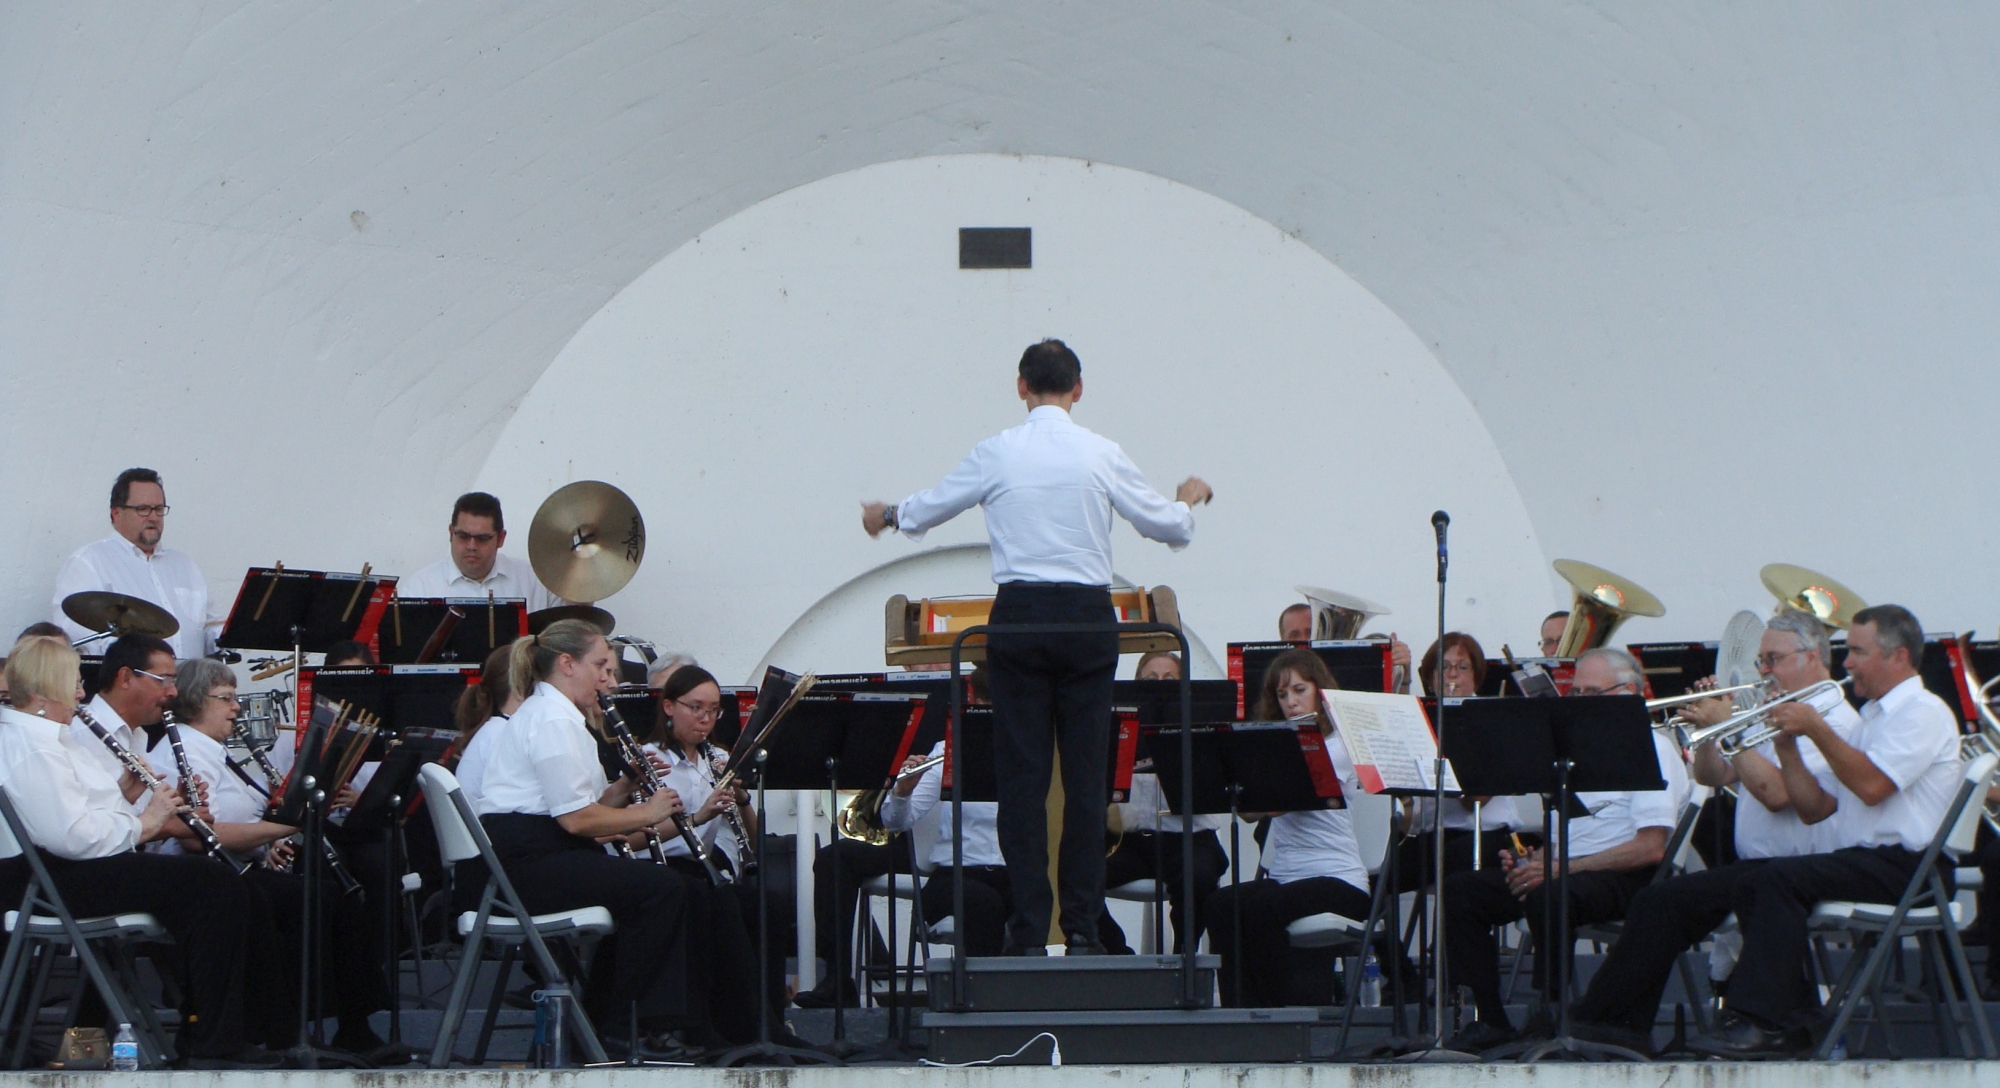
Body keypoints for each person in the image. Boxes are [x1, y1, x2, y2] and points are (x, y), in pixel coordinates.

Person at [861, 338, 1210, 955]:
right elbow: (1168, 526)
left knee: (1021, 782)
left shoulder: (998, 450)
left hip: (1019, 617)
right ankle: (1082, 928)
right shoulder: (1100, 452)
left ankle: (1026, 930)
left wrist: (887, 516)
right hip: (1086, 619)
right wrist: (1188, 497)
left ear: (1021, 386)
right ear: (1079, 389)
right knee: (1085, 781)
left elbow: (930, 508)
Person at [469, 620, 791, 1053]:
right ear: (567, 664)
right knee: (662, 890)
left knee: (682, 890)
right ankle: (626, 1025)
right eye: (601, 666)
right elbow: (575, 820)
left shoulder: (559, 716)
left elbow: (576, 806)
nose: (609, 680)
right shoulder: (551, 719)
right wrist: (647, 812)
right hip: (528, 864)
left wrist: (623, 789)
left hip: (543, 852)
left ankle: (650, 1025)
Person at [1566, 609, 1862, 1054]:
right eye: (1761, 660)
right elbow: (1713, 776)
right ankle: (1615, 1023)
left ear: (1813, 656)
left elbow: (1778, 795)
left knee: (1665, 902)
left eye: (1773, 659)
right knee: (1660, 900)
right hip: (1761, 869)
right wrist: (1708, 732)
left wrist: (1733, 733)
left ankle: (1608, 1019)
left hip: (1800, 868)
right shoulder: (1773, 710)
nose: (1763, 670)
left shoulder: (1831, 719)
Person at [1680, 604, 1962, 1057]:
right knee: (1758, 878)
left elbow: (1872, 787)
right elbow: (1817, 809)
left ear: (1899, 656)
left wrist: (1815, 727)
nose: (1846, 663)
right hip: (1870, 860)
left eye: (1857, 652)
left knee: (1777, 878)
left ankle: (1763, 1021)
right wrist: (1787, 747)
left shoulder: (1922, 711)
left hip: (1913, 869)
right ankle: (1792, 1023)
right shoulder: (1875, 717)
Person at [0, 636, 287, 1066]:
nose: (80, 692)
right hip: (51, 878)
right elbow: (72, 836)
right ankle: (212, 1042)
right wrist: (147, 822)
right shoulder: (34, 746)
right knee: (213, 886)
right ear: (44, 691)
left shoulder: (51, 739)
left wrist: (127, 794)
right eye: (72, 682)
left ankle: (199, 1034)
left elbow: (81, 815)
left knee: (220, 886)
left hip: (70, 869)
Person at [1442, 646, 1690, 1050]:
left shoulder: (1654, 747)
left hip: (1626, 876)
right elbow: (1571, 832)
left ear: (1629, 693)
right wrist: (1534, 859)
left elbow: (1650, 848)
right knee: (1462, 890)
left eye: (1592, 693)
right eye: (1575, 693)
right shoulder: (1578, 751)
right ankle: (1490, 1018)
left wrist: (1559, 869)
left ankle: (1552, 1011)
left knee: (1549, 894)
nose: (1580, 703)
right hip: (1571, 870)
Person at [167, 657, 390, 1055]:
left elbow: (238, 820)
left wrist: (267, 843)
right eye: (226, 698)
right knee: (317, 900)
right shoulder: (190, 753)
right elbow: (198, 837)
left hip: (236, 867)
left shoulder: (212, 751)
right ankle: (302, 1030)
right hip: (205, 876)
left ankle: (345, 1025)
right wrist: (283, 829)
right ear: (196, 701)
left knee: (332, 894)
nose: (236, 708)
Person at [1202, 649, 1373, 1006]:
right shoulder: (1278, 749)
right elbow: (1250, 814)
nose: (1291, 702)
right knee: (1220, 904)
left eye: (1299, 690)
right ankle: (1239, 1011)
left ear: (1319, 692)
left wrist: (1256, 774)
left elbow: (1282, 799)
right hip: (1286, 878)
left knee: (1263, 907)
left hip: (1338, 879)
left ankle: (1277, 1010)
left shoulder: (1338, 746)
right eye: (1282, 695)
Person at [644, 665, 793, 1016]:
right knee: (722, 905)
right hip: (661, 868)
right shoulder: (651, 758)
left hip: (704, 868)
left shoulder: (718, 759)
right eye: (696, 708)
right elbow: (638, 838)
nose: (705, 719)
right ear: (669, 707)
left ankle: (771, 1017)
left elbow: (753, 842)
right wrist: (698, 817)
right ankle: (731, 1017)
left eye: (713, 711)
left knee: (766, 906)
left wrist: (742, 800)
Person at [1101, 650, 1226, 956]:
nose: (1159, 686)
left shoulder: (1200, 722)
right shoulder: (1118, 725)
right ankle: (1119, 955)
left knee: (1199, 877)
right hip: (1132, 841)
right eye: (1150, 680)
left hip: (1189, 837)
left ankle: (1184, 954)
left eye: (1169, 680)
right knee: (1075, 875)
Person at [52, 468, 219, 659]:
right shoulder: (89, 562)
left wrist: (226, 635)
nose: (153, 517)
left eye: (158, 509)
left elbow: (209, 626)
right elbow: (78, 635)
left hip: (190, 677)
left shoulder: (185, 565)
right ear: (116, 513)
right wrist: (135, 659)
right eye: (143, 509)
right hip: (129, 676)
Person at [1400, 633, 1521, 878]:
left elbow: (1473, 800)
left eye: (1462, 667)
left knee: (1447, 867)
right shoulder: (1419, 719)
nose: (1452, 674)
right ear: (1431, 678)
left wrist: (1450, 730)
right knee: (1381, 877)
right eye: (1443, 667)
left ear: (1476, 677)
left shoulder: (1493, 720)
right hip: (1430, 834)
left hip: (1482, 834)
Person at [881, 738, 1008, 954]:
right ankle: (977, 977)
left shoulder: (1034, 751)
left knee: (1031, 908)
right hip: (954, 875)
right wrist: (902, 792)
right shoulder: (948, 750)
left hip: (1012, 874)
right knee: (986, 903)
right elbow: (896, 823)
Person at [397, 492, 566, 612]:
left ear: (500, 538)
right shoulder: (420, 588)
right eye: (463, 536)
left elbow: (566, 632)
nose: (472, 546)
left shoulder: (535, 581)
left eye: (482, 538)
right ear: (451, 533)